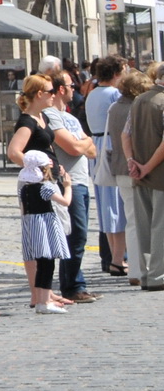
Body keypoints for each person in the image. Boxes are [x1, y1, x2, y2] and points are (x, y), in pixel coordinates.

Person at [41, 73, 99, 302]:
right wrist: (83, 144)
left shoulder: (70, 117)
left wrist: (82, 144)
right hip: (68, 182)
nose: (74, 88)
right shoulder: (51, 116)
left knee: (78, 235)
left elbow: (91, 148)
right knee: (76, 234)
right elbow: (74, 148)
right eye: (70, 85)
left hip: (82, 180)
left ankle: (74, 283)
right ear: (60, 90)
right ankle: (73, 285)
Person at [16, 150, 74, 315]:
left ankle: (42, 300)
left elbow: (23, 209)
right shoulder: (45, 187)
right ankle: (44, 301)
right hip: (45, 227)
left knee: (41, 264)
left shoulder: (24, 189)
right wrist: (68, 186)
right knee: (47, 264)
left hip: (32, 227)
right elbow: (65, 202)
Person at [122, 69, 164, 291]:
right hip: (158, 173)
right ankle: (159, 276)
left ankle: (148, 275)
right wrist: (146, 166)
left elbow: (125, 134)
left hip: (140, 173)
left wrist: (132, 161)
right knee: (160, 228)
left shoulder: (139, 100)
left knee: (145, 226)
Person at [83, 59, 126, 277]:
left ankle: (114, 257)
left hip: (97, 146)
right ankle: (118, 259)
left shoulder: (92, 93)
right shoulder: (113, 95)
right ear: (117, 73)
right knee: (117, 204)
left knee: (106, 205)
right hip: (111, 146)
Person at [107, 69, 148, 285]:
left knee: (131, 220)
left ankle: (135, 271)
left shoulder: (114, 107)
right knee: (147, 221)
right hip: (139, 167)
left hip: (120, 168)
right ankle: (145, 268)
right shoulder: (138, 107)